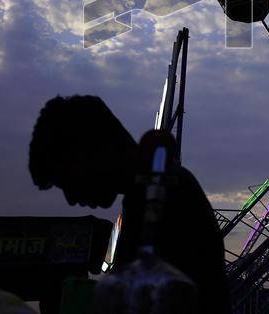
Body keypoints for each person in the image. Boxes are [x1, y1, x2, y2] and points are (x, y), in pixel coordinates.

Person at [28, 95, 230, 313]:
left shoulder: (159, 196)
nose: (71, 198)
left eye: (67, 180)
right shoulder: (151, 192)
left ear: (92, 151)